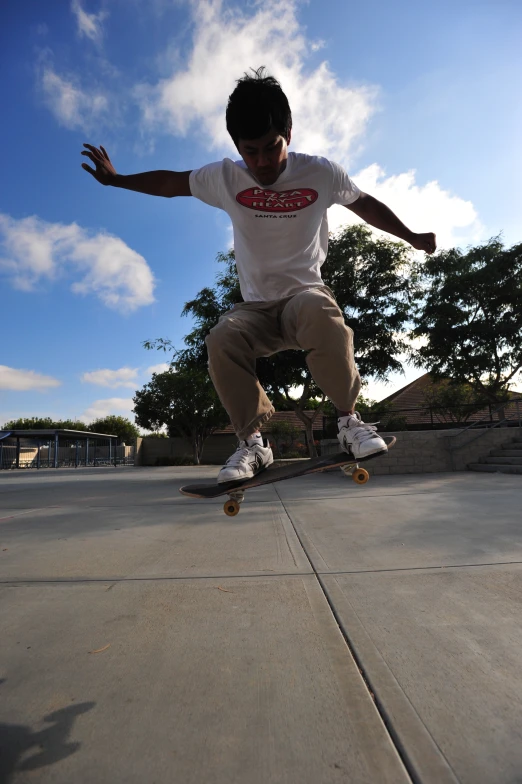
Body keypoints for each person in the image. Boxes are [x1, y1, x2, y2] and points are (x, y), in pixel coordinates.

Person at [82, 67, 436, 483]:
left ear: (289, 131)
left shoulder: (321, 173)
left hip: (303, 297)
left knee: (322, 313)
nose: (263, 162)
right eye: (251, 151)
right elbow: (172, 183)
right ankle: (252, 443)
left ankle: (348, 422)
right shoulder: (226, 177)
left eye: (273, 147)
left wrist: (410, 236)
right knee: (221, 338)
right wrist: (118, 180)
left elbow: (365, 204)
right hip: (255, 311)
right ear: (237, 146)